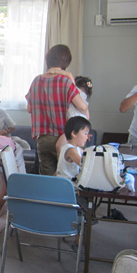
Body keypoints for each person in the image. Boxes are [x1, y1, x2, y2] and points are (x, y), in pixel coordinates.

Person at [26, 44, 89, 176]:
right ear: (66, 62)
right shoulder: (65, 81)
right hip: (63, 137)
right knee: (66, 175)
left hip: (43, 138)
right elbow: (82, 106)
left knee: (47, 178)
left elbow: (29, 109)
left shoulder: (36, 81)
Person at [56, 76, 93, 156]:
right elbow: (87, 117)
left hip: (75, 126)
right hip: (78, 126)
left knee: (62, 146)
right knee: (76, 151)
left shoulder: (78, 99)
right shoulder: (82, 103)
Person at [56, 116, 92, 181]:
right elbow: (84, 164)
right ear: (74, 133)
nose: (87, 137)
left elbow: (87, 155)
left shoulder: (77, 149)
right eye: (85, 134)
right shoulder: (70, 150)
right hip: (66, 184)